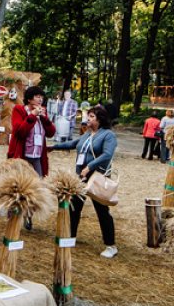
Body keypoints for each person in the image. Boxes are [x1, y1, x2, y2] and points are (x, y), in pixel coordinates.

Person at [53, 105, 118, 258]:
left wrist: (90, 166)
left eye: (92, 117)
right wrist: (53, 147)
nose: (88, 119)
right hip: (81, 178)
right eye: (88, 116)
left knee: (102, 211)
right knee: (74, 207)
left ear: (100, 120)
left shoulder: (108, 135)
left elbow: (107, 155)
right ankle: (71, 237)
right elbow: (73, 144)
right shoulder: (87, 135)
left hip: (97, 178)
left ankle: (111, 246)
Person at [7, 85, 55, 177]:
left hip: (37, 157)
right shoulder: (19, 110)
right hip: (22, 156)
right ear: (29, 99)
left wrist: (45, 118)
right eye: (37, 97)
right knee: (21, 183)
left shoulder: (42, 112)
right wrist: (32, 116)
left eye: (42, 97)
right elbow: (20, 131)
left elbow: (51, 133)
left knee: (39, 184)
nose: (40, 100)